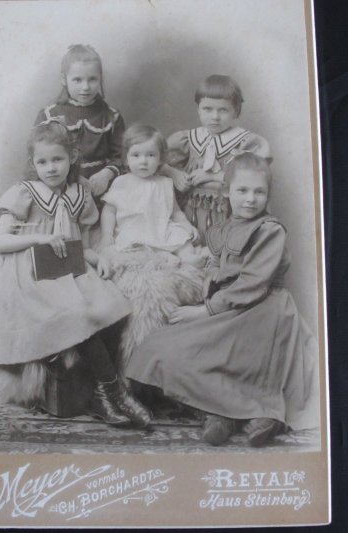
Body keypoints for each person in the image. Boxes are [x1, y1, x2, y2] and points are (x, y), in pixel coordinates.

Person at [125, 153, 319, 446]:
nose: (250, 199)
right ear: (227, 191)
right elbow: (219, 264)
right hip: (228, 307)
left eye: (259, 192)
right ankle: (219, 412)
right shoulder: (224, 227)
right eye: (242, 190)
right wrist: (208, 281)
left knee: (242, 362)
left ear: (268, 195)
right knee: (157, 348)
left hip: (264, 309)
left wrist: (205, 311)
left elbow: (253, 283)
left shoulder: (270, 230)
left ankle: (258, 415)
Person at [0, 121, 151, 428]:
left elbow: (81, 241)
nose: (51, 168)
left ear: (72, 157)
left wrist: (97, 258)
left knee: (113, 306)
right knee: (76, 314)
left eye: (57, 159)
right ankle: (113, 393)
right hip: (27, 273)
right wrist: (40, 238)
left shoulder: (79, 193)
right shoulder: (25, 193)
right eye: (42, 162)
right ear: (33, 164)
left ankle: (105, 394)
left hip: (66, 266)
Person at [161, 75, 271, 239]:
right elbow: (156, 163)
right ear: (198, 110)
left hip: (229, 216)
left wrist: (213, 176)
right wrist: (173, 173)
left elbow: (255, 179)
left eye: (223, 110)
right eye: (207, 109)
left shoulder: (246, 143)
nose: (215, 117)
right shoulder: (188, 140)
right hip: (190, 214)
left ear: (236, 111)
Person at [100, 124, 206, 267]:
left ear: (160, 159)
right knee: (133, 245)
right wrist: (107, 234)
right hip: (134, 228)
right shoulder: (121, 182)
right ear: (126, 159)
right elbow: (109, 211)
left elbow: (175, 212)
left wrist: (186, 225)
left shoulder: (165, 183)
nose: (143, 161)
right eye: (136, 155)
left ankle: (187, 256)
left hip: (161, 227)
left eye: (150, 155)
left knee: (181, 236)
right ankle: (163, 256)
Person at [35, 44, 125, 198]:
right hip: (61, 187)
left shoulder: (111, 116)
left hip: (102, 189)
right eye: (77, 80)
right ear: (64, 79)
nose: (85, 87)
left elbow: (122, 156)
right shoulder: (49, 115)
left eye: (92, 79)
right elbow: (39, 157)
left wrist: (106, 174)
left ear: (100, 78)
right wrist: (72, 177)